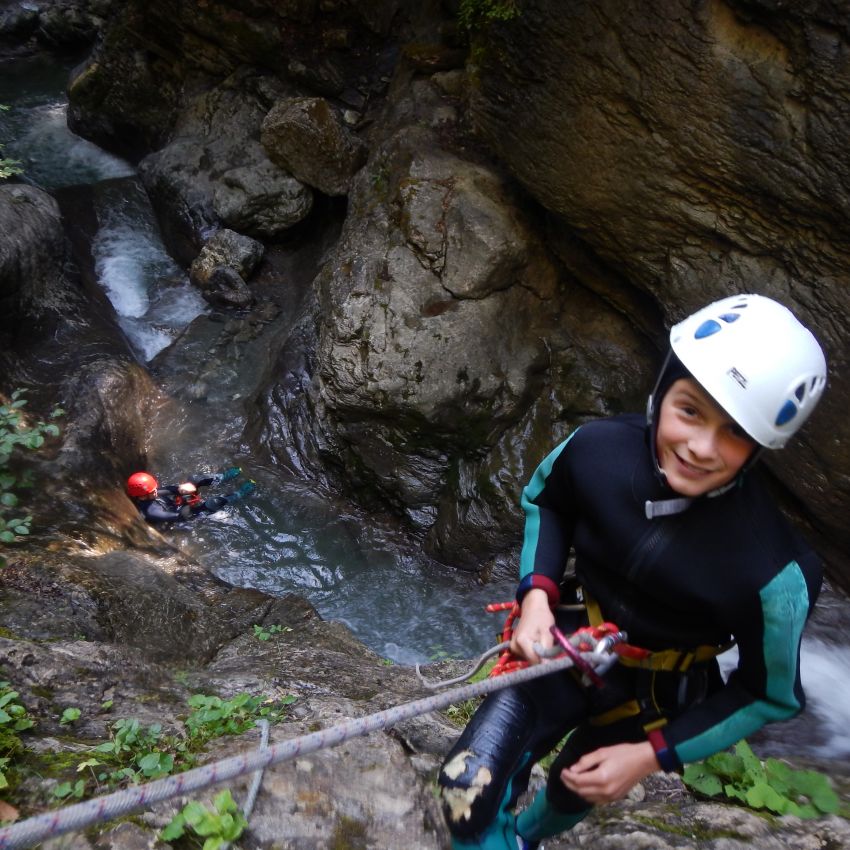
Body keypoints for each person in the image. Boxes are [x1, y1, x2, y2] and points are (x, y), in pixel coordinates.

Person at [437, 293, 828, 850]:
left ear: (761, 447)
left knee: (575, 790)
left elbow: (768, 694)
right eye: (689, 410)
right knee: (464, 788)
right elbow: (547, 500)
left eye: (735, 433)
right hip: (567, 641)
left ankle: (525, 837)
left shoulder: (773, 569)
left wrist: (648, 757)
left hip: (658, 695)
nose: (700, 448)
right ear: (661, 390)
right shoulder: (598, 450)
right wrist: (537, 599)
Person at [126, 466, 256, 524]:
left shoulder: (149, 494)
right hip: (185, 516)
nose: (156, 491)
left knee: (194, 479)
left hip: (178, 505)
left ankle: (222, 478)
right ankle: (238, 495)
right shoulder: (151, 512)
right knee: (214, 502)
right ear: (142, 496)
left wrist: (181, 489)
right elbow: (182, 517)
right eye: (152, 491)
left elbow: (168, 490)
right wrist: (188, 500)